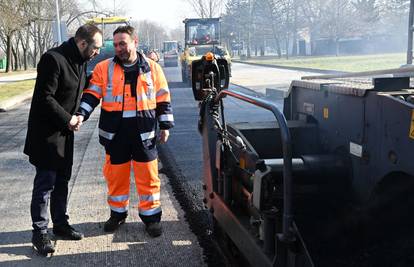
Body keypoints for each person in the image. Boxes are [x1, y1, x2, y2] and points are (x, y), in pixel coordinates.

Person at [77, 26, 174, 238]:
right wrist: (81, 115)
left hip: (144, 133)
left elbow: (163, 97)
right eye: (116, 45)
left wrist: (165, 125)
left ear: (134, 42)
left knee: (148, 177)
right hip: (115, 134)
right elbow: (91, 95)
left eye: (123, 43)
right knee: (116, 177)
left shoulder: (153, 68)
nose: (119, 48)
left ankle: (151, 218)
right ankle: (117, 214)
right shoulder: (104, 68)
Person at [24, 24, 103, 256]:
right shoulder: (53, 59)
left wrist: (76, 117)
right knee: (45, 184)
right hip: (46, 136)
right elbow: (43, 98)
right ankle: (39, 232)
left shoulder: (80, 60)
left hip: (65, 134)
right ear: (82, 43)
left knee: (62, 181)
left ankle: (60, 224)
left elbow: (79, 88)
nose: (97, 52)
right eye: (95, 48)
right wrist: (68, 119)